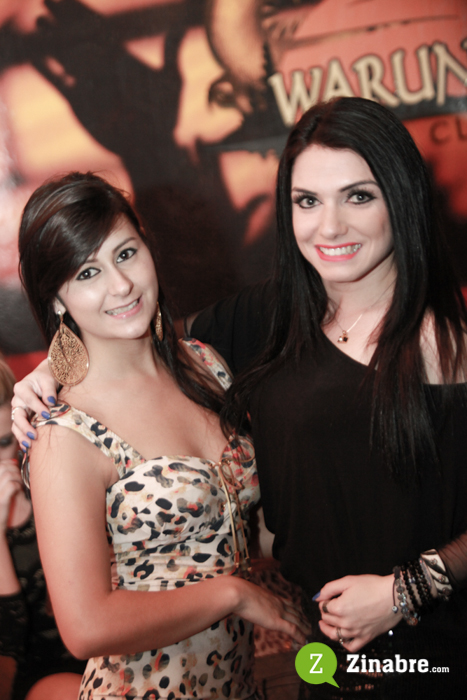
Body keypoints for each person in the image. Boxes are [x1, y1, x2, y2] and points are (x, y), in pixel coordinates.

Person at [12, 98, 467, 695]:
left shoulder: (448, 344)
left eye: (358, 196)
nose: (330, 226)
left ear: (400, 197)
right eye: (307, 201)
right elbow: (128, 336)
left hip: (431, 653)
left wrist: (406, 589)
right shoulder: (268, 319)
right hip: (320, 661)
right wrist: (50, 369)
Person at [13, 172, 307, 700]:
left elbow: (241, 527)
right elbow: (85, 627)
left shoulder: (205, 366)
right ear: (57, 298)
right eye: (88, 272)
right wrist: (234, 595)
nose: (121, 285)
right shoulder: (65, 433)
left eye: (126, 254)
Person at [0, 356, 84, 700]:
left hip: (101, 647)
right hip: (33, 672)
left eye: (3, 443)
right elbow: (8, 641)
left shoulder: (42, 476)